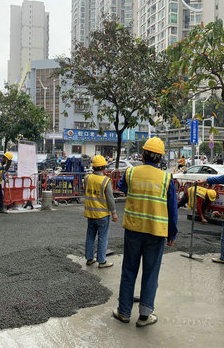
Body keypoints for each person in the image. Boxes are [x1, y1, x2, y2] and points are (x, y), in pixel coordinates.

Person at [113, 136, 177, 327]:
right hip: (156, 232)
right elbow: (172, 208)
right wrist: (172, 234)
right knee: (151, 272)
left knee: (129, 270)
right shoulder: (166, 178)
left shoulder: (131, 173)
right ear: (161, 158)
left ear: (142, 155)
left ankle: (124, 312)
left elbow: (121, 187)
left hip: (133, 229)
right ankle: (144, 315)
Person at [84, 155, 118, 268]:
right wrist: (113, 212)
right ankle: (102, 261)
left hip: (90, 213)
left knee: (90, 236)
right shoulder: (105, 180)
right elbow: (110, 198)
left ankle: (89, 258)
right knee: (103, 237)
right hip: (102, 215)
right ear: (104, 167)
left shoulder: (87, 178)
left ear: (93, 167)